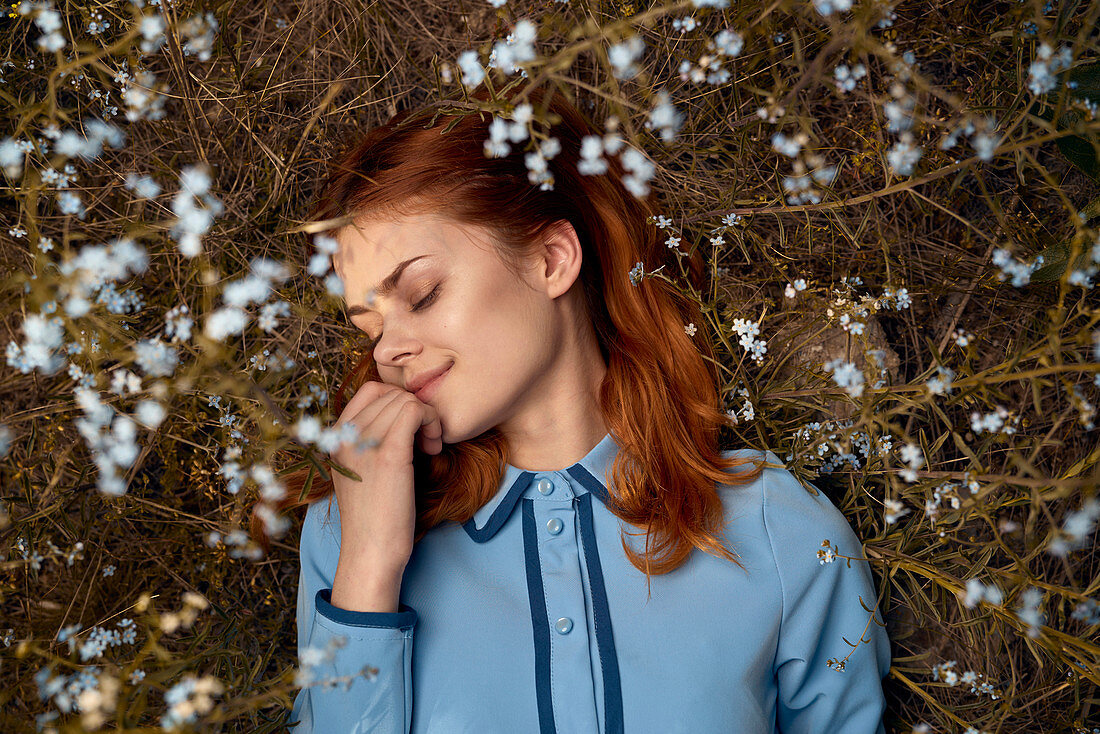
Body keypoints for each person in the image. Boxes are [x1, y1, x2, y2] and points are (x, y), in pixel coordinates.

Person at [268, 83, 892, 733]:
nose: (391, 348)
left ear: (551, 258)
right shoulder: (350, 531)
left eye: (421, 294)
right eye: (368, 326)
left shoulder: (781, 531)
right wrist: (369, 568)